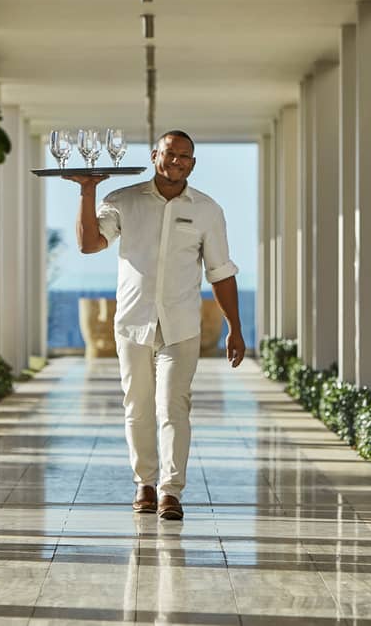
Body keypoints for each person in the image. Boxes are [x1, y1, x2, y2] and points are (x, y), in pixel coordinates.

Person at [63, 130, 244, 521]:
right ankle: (144, 483)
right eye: (169, 154)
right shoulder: (123, 201)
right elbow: (89, 244)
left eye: (184, 156)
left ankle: (170, 491)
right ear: (154, 155)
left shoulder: (208, 210)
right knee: (138, 406)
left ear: (192, 163)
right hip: (132, 323)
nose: (176, 161)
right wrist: (87, 191)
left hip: (181, 326)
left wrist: (236, 328)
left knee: (173, 406)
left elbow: (221, 273)